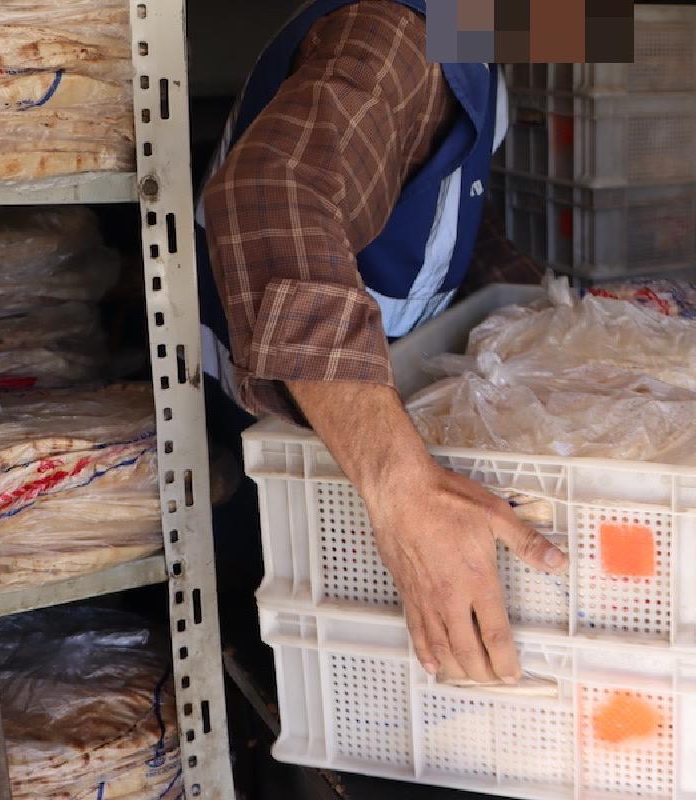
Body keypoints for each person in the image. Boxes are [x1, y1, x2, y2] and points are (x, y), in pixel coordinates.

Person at [193, 0, 565, 686]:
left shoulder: (471, 48)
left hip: (361, 416)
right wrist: (401, 490)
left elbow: (444, 222)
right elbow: (267, 192)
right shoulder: (390, 32)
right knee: (315, 664)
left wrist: (552, 317)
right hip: (288, 418)